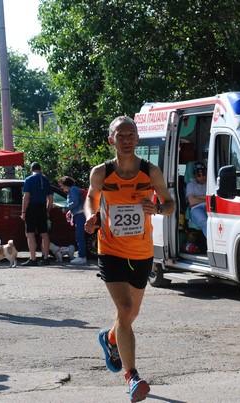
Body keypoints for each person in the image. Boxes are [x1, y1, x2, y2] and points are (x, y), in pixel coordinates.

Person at [84, 116, 174, 402]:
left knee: (130, 315)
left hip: (142, 251)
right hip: (110, 250)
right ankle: (132, 377)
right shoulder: (101, 173)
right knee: (124, 310)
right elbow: (90, 197)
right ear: (111, 140)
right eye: (119, 135)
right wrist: (91, 215)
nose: (125, 139)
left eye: (130, 134)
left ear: (137, 139)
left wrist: (157, 208)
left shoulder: (150, 172)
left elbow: (170, 204)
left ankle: (110, 338)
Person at [20, 162, 53, 266]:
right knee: (44, 233)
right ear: (40, 169)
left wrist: (23, 212)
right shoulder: (45, 179)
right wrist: (47, 210)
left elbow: (26, 197)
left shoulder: (29, 179)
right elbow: (50, 198)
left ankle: (33, 258)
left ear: (31, 170)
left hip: (32, 207)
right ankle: (46, 257)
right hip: (42, 207)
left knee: (30, 233)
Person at [58, 176, 87, 264]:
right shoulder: (75, 189)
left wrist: (66, 208)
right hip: (80, 214)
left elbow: (75, 202)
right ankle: (82, 255)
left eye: (62, 185)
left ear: (66, 184)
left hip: (80, 214)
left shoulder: (73, 190)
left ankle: (82, 256)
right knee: (80, 235)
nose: (62, 188)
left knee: (79, 236)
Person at [186, 161, 208, 237]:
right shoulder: (190, 185)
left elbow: (213, 198)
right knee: (205, 222)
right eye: (199, 175)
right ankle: (212, 245)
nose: (202, 177)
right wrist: (207, 198)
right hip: (196, 209)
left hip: (210, 207)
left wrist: (197, 197)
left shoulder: (210, 183)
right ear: (195, 176)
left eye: (204, 174)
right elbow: (192, 202)